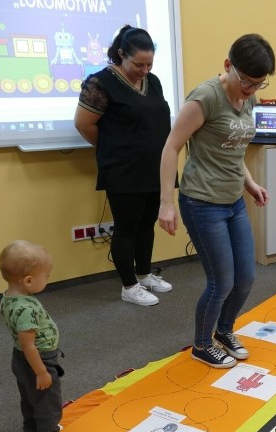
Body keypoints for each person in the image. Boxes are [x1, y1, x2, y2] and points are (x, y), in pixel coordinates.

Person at [158, 34, 275, 369]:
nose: (251, 90)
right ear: (228, 66)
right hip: (202, 202)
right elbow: (171, 147)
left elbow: (233, 150)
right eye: (246, 82)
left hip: (233, 199)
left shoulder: (248, 97)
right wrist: (166, 202)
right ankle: (200, 345)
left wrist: (250, 183)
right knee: (221, 281)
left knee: (246, 278)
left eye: (259, 84)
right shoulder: (205, 97)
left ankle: (224, 331)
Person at [74, 25, 174, 307]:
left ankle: (143, 275)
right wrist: (114, 148)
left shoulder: (152, 81)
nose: (144, 69)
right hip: (123, 170)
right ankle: (129, 286)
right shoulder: (99, 83)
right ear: (121, 55)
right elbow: (84, 124)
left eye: (149, 64)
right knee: (126, 227)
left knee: (147, 225)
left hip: (154, 167)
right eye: (138, 64)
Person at [0, 241, 75, 432]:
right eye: (46, 275)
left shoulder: (9, 298)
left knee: (29, 395)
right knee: (47, 399)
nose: (48, 279)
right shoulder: (25, 309)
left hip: (20, 359)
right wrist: (41, 372)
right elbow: (28, 345)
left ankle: (32, 428)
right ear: (29, 280)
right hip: (37, 359)